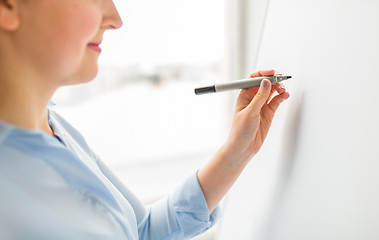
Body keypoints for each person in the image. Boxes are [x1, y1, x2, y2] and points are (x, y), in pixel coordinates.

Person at [0, 0, 290, 239]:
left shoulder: (53, 125)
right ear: (7, 6)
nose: (115, 18)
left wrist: (237, 151)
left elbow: (138, 232)